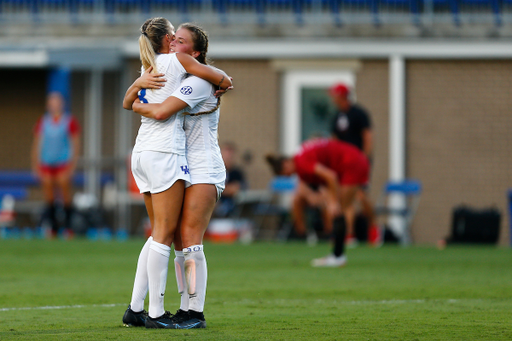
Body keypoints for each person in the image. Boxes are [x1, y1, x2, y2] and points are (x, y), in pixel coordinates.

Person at [120, 18, 232, 329]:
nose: (175, 45)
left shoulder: (196, 80)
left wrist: (136, 99)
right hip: (177, 161)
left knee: (188, 240)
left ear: (195, 53)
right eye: (174, 39)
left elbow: (161, 110)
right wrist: (138, 87)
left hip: (204, 167)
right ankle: (147, 307)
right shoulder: (173, 71)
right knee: (166, 235)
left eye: (182, 42)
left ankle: (192, 310)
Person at [266, 138, 369, 267]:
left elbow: (330, 176)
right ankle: (337, 254)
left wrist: (332, 202)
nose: (288, 176)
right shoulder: (300, 158)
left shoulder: (301, 162)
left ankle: (338, 256)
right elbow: (324, 181)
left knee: (339, 209)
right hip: (353, 160)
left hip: (351, 163)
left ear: (286, 163)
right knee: (339, 209)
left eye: (285, 173)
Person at [329, 83, 380, 246]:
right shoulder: (336, 116)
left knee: (361, 196)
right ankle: (349, 235)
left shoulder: (359, 114)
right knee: (346, 198)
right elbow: (335, 141)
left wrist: (364, 159)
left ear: (342, 96)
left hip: (358, 162)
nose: (332, 98)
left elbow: (367, 137)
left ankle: (374, 228)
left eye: (335, 95)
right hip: (343, 164)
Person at [31, 92, 80, 237]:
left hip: (63, 162)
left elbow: (75, 144)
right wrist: (35, 164)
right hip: (47, 162)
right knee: (49, 195)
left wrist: (72, 165)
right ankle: (52, 228)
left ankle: (68, 227)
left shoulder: (69, 121)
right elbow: (37, 144)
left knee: (64, 194)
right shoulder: (43, 121)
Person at [214, 141, 246, 217]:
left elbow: (235, 189)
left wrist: (218, 189)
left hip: (229, 204)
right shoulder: (214, 171)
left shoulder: (236, 173)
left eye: (230, 155)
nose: (228, 157)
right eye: (225, 154)